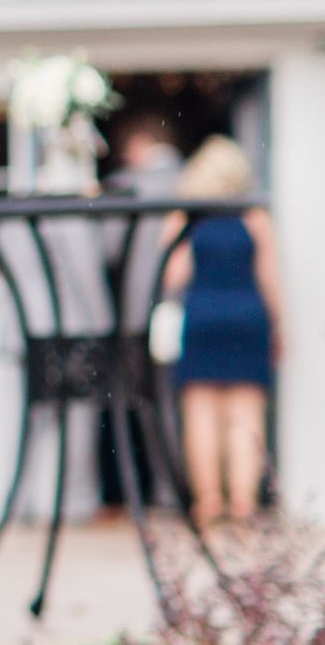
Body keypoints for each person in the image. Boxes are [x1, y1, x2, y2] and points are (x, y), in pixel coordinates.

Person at [160, 135, 284, 526]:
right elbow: (270, 280)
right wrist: (281, 326)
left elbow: (172, 276)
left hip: (202, 316)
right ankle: (244, 503)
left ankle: (208, 501)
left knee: (200, 413)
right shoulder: (255, 217)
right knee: (245, 414)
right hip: (247, 316)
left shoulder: (186, 217)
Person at [97, 110, 185, 516]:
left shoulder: (125, 187)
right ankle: (187, 489)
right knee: (185, 400)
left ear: (137, 147)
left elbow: (107, 250)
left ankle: (161, 490)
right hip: (188, 305)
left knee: (148, 403)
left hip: (140, 312)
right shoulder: (194, 180)